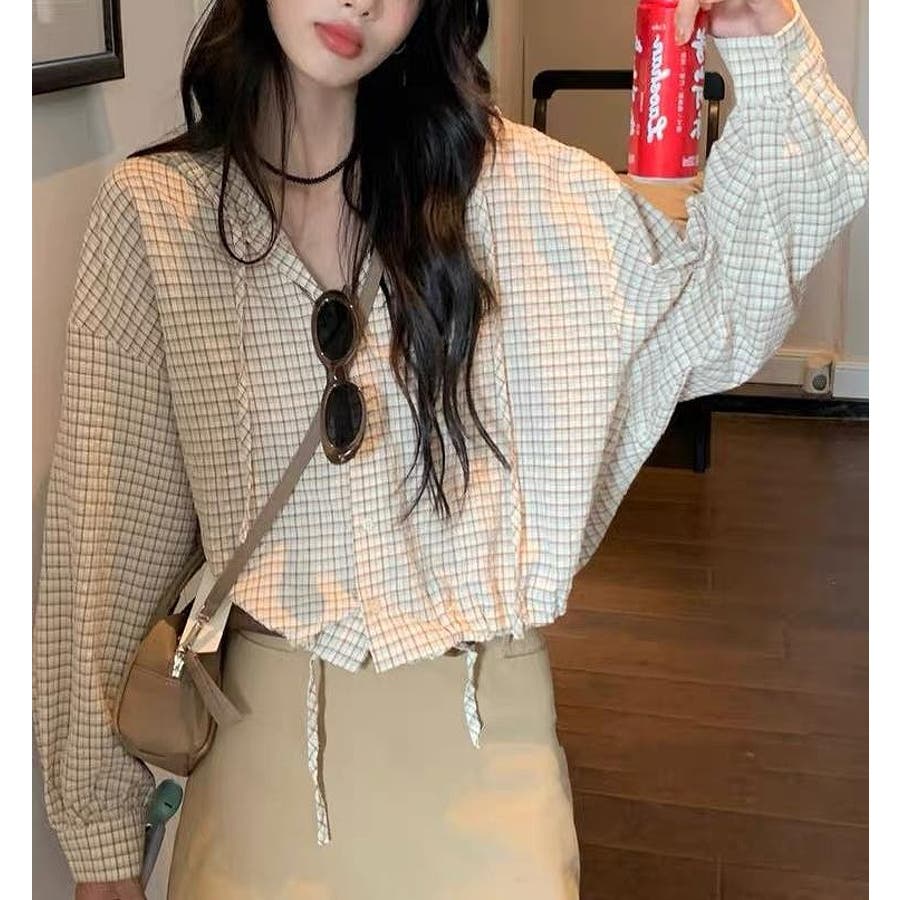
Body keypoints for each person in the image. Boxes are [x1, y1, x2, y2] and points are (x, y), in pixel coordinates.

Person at [33, 0, 867, 897]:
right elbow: (108, 544)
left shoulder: (520, 196)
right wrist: (103, 841)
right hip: (255, 765)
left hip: (487, 760)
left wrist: (764, 32)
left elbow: (727, 300)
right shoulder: (158, 216)